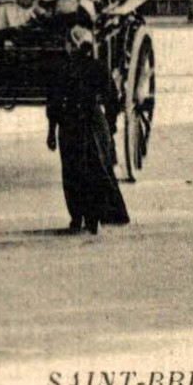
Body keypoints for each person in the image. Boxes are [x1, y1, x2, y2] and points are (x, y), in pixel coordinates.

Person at [46, 27, 130, 235]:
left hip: (70, 124)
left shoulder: (63, 69)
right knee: (95, 169)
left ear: (71, 46)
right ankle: (93, 218)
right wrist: (110, 125)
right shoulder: (98, 67)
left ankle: (77, 217)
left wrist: (51, 131)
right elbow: (112, 98)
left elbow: (54, 103)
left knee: (72, 171)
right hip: (93, 123)